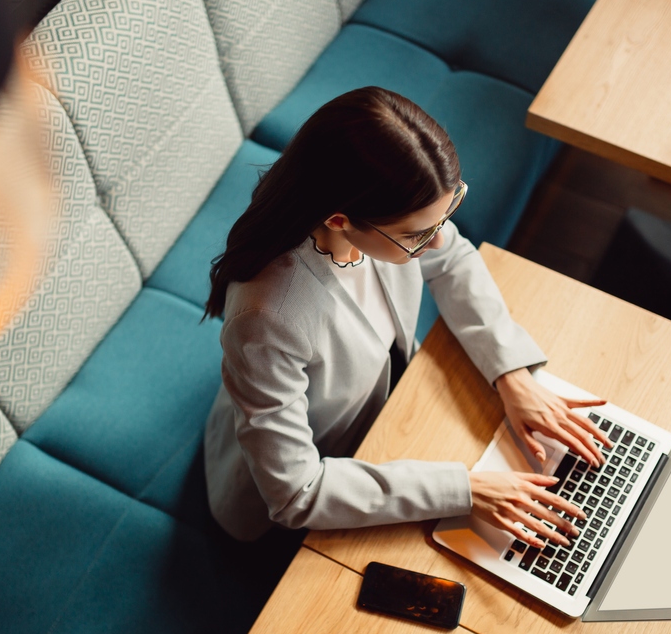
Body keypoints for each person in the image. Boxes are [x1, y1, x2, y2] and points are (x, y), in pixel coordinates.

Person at [203, 87, 612, 548]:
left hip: (387, 409)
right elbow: (298, 491)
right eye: (417, 235)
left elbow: (452, 258)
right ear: (339, 220)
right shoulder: (268, 317)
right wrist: (464, 490)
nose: (437, 241)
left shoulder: (384, 214)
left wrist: (512, 375)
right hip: (303, 490)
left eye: (447, 213)